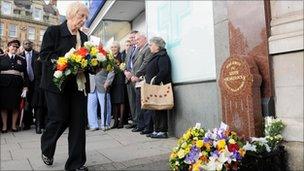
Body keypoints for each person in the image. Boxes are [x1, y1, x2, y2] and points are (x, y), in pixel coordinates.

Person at [39, 2, 89, 171]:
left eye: (85, 17)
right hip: (56, 84)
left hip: (77, 85)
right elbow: (45, 55)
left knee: (78, 123)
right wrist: (66, 63)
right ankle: (47, 147)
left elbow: (87, 61)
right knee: (59, 118)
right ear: (71, 14)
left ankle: (76, 164)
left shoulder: (84, 38)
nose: (84, 20)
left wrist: (93, 65)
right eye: (81, 16)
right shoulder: (53, 32)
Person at [145, 37, 172, 138]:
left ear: (157, 46)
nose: (149, 47)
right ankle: (157, 129)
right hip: (153, 87)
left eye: (151, 45)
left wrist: (154, 80)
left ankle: (162, 131)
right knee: (155, 109)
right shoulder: (156, 55)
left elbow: (164, 71)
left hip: (159, 87)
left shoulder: (163, 56)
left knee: (160, 108)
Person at [0, 39, 29, 133]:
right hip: (3, 86)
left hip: (17, 87)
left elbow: (25, 74)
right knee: (3, 107)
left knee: (15, 107)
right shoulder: (1, 57)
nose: (15, 48)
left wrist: (25, 87)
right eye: (13, 46)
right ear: (8, 47)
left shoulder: (21, 59)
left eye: (16, 47)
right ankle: (4, 127)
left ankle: (13, 126)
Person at [129, 32, 152, 133]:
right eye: (136, 40)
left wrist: (136, 75)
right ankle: (140, 124)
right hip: (137, 80)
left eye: (138, 39)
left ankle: (146, 126)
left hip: (143, 80)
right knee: (139, 104)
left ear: (145, 39)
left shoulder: (147, 49)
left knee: (144, 105)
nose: (136, 41)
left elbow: (145, 63)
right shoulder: (139, 50)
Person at [19, 40, 39, 130]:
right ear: (23, 45)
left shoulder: (38, 54)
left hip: (36, 82)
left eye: (29, 43)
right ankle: (27, 123)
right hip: (25, 83)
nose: (27, 45)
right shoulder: (19, 56)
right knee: (27, 103)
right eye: (25, 43)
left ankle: (38, 122)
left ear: (32, 44)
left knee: (36, 102)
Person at [110, 41, 127, 129]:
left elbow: (124, 67)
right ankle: (115, 121)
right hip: (113, 82)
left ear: (118, 48)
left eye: (115, 47)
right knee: (114, 102)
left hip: (120, 80)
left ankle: (121, 121)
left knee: (121, 101)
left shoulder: (122, 56)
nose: (113, 49)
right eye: (112, 47)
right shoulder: (109, 57)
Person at [124, 30, 139, 129]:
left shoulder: (140, 48)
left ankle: (139, 122)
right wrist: (125, 72)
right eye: (130, 38)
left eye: (133, 37)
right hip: (128, 78)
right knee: (132, 101)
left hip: (136, 78)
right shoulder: (129, 49)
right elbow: (126, 63)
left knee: (138, 101)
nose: (132, 39)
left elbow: (139, 64)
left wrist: (132, 74)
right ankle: (134, 121)